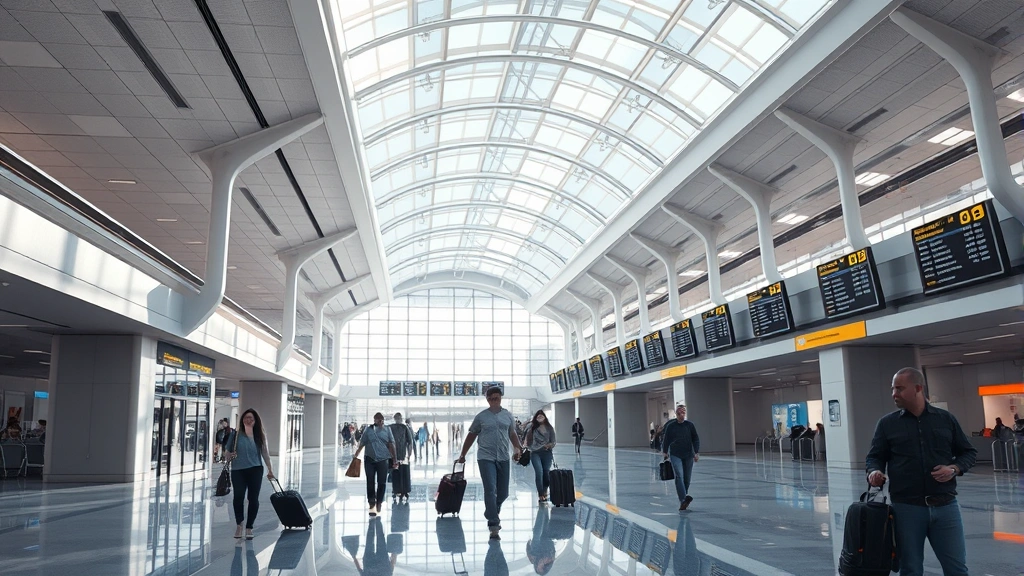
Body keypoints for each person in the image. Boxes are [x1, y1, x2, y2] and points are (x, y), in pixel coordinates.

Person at [866, 367, 977, 576]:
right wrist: (874, 471)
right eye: (892, 389)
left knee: (957, 569)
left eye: (899, 388)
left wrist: (954, 468)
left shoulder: (945, 420)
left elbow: (968, 453)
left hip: (946, 506)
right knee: (911, 569)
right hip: (906, 508)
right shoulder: (887, 424)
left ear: (918, 388)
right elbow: (875, 456)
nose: (894, 394)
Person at [457, 386, 523, 540]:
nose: (494, 401)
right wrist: (463, 454)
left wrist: (518, 448)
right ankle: (493, 523)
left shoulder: (508, 415)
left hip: (503, 457)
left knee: (504, 492)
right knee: (490, 489)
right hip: (485, 457)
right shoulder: (481, 417)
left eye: (496, 398)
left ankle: (491, 510)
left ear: (500, 398)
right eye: (491, 398)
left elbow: (512, 433)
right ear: (487, 399)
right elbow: (471, 435)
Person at [223, 409, 276, 540]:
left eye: (251, 418)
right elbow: (226, 452)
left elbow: (265, 453)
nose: (248, 420)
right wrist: (229, 455)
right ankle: (239, 525)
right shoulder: (235, 435)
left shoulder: (259, 435)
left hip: (255, 469)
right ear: (242, 420)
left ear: (255, 420)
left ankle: (249, 527)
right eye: (246, 418)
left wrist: (270, 469)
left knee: (253, 499)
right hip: (238, 470)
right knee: (238, 497)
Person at [354, 412, 398, 517]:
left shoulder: (388, 430)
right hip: (369, 459)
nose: (381, 421)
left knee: (382, 482)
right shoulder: (368, 430)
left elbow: (392, 444)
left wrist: (395, 459)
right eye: (378, 419)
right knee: (370, 481)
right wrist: (356, 455)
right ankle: (371, 503)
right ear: (374, 420)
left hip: (383, 460)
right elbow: (362, 443)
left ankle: (379, 502)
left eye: (382, 419)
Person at [661, 404, 700, 511]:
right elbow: (666, 439)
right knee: (679, 476)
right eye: (679, 413)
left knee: (687, 478)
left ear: (685, 413)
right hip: (675, 454)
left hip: (688, 454)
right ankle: (683, 500)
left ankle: (684, 499)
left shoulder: (689, 425)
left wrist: (696, 452)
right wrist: (665, 451)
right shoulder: (671, 426)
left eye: (683, 413)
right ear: (676, 414)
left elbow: (695, 438)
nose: (681, 415)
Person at [526, 410, 556, 503]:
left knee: (546, 472)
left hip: (547, 453)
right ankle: (540, 494)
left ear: (545, 417)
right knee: (539, 472)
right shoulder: (532, 428)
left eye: (541, 416)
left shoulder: (549, 428)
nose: (540, 418)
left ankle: (545, 490)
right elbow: (527, 440)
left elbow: (553, 441)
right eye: (538, 416)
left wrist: (549, 445)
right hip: (535, 453)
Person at [526, 506, 556, 574]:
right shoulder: (549, 560)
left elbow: (529, 552)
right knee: (545, 525)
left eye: (538, 568)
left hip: (538, 545)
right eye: (541, 568)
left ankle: (542, 508)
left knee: (537, 532)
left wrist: (528, 544)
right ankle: (544, 508)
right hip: (546, 541)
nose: (539, 566)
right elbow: (552, 548)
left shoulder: (534, 560)